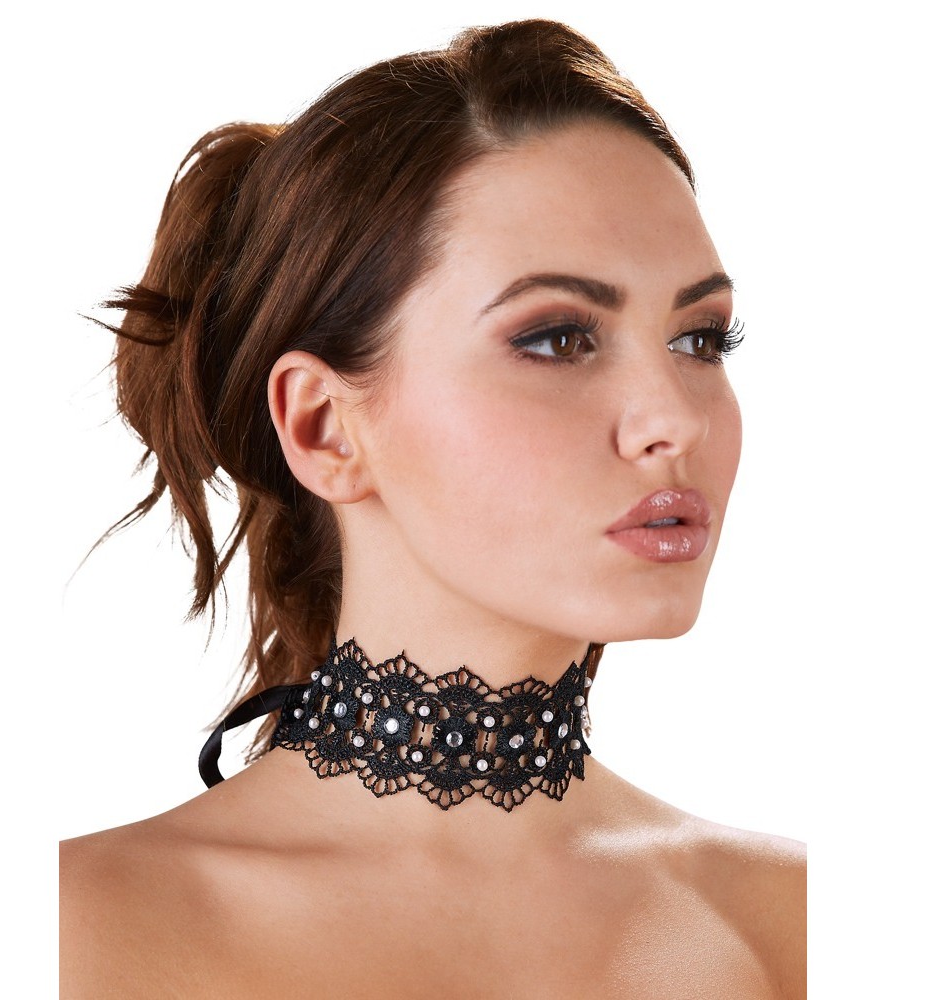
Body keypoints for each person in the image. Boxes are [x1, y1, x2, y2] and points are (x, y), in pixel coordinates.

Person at [60, 18, 806, 998]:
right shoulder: (66, 931)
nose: (673, 418)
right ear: (325, 426)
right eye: (557, 338)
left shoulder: (800, 921)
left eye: (700, 339)